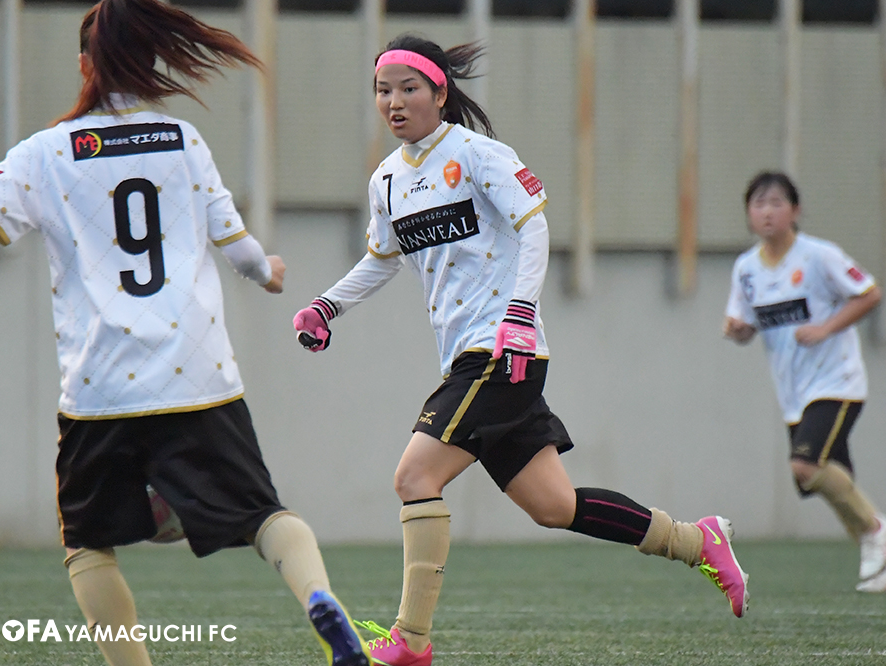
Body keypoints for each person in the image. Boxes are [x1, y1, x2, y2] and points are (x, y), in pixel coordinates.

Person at [0, 1, 372, 664]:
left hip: (102, 384)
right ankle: (318, 598)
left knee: (86, 543)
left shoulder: (48, 152)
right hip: (197, 374)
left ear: (85, 64)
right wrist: (268, 273)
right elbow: (240, 250)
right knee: (264, 516)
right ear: (151, 61)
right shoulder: (181, 140)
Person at [293, 33, 750, 666]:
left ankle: (410, 643)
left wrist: (519, 314)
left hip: (502, 352)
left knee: (414, 477)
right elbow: (381, 258)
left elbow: (535, 229)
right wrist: (326, 306)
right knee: (554, 506)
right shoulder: (388, 181)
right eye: (382, 90)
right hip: (470, 358)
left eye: (408, 88)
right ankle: (698, 542)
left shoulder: (478, 155)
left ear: (439, 93)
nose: (393, 102)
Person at [724, 170, 886, 593]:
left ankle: (876, 531)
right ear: (748, 214)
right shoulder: (746, 268)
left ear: (795, 210)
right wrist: (739, 331)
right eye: (759, 204)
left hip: (837, 382)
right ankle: (878, 558)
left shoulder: (818, 256)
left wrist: (826, 328)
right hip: (793, 394)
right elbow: (742, 322)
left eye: (777, 203)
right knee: (825, 479)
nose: (767, 212)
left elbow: (869, 292)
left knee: (805, 464)